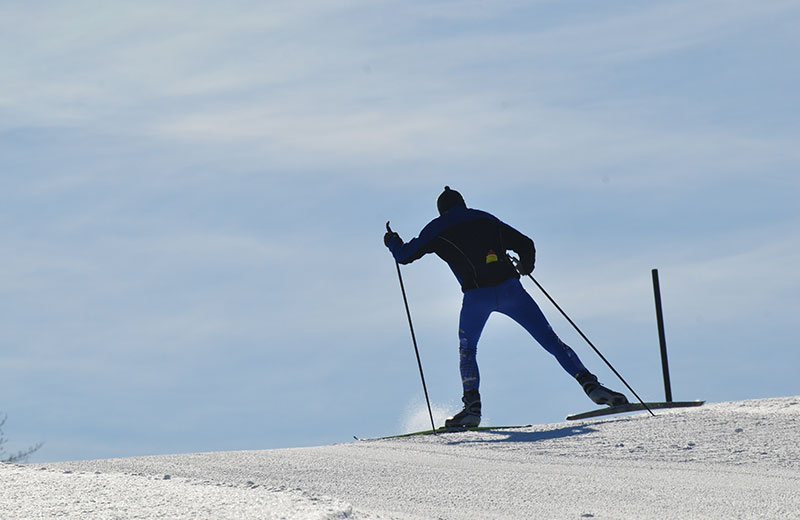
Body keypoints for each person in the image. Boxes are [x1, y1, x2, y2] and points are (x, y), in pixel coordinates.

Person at [384, 186, 628, 428]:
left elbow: (405, 255)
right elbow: (525, 243)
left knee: (467, 350)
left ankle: (472, 409)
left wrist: (392, 241)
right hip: (511, 290)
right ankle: (591, 385)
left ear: (442, 211)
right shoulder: (485, 217)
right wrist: (526, 266)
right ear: (463, 204)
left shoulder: (438, 227)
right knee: (551, 341)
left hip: (476, 297)